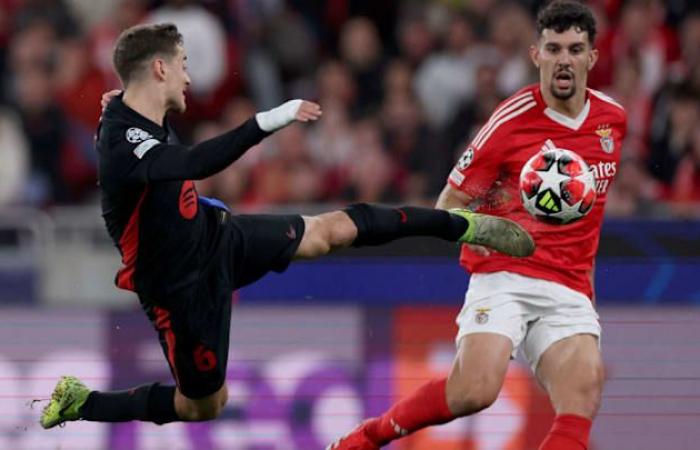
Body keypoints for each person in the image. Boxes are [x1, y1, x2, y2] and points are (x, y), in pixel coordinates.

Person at [39, 23, 534, 430]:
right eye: (184, 65)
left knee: (330, 231)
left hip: (216, 237)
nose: (190, 78)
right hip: (180, 290)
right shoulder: (120, 140)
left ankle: (462, 225)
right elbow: (192, 160)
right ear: (161, 67)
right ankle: (83, 402)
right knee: (203, 406)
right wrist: (268, 121)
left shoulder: (132, 109)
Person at [328, 1, 626, 449]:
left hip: (567, 286)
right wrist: (476, 232)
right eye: (554, 48)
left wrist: (584, 286)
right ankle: (370, 436)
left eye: (575, 48)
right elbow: (449, 202)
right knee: (475, 391)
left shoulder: (612, 121)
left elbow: (589, 221)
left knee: (584, 391)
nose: (564, 59)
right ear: (536, 55)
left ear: (592, 58)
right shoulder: (511, 120)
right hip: (505, 272)